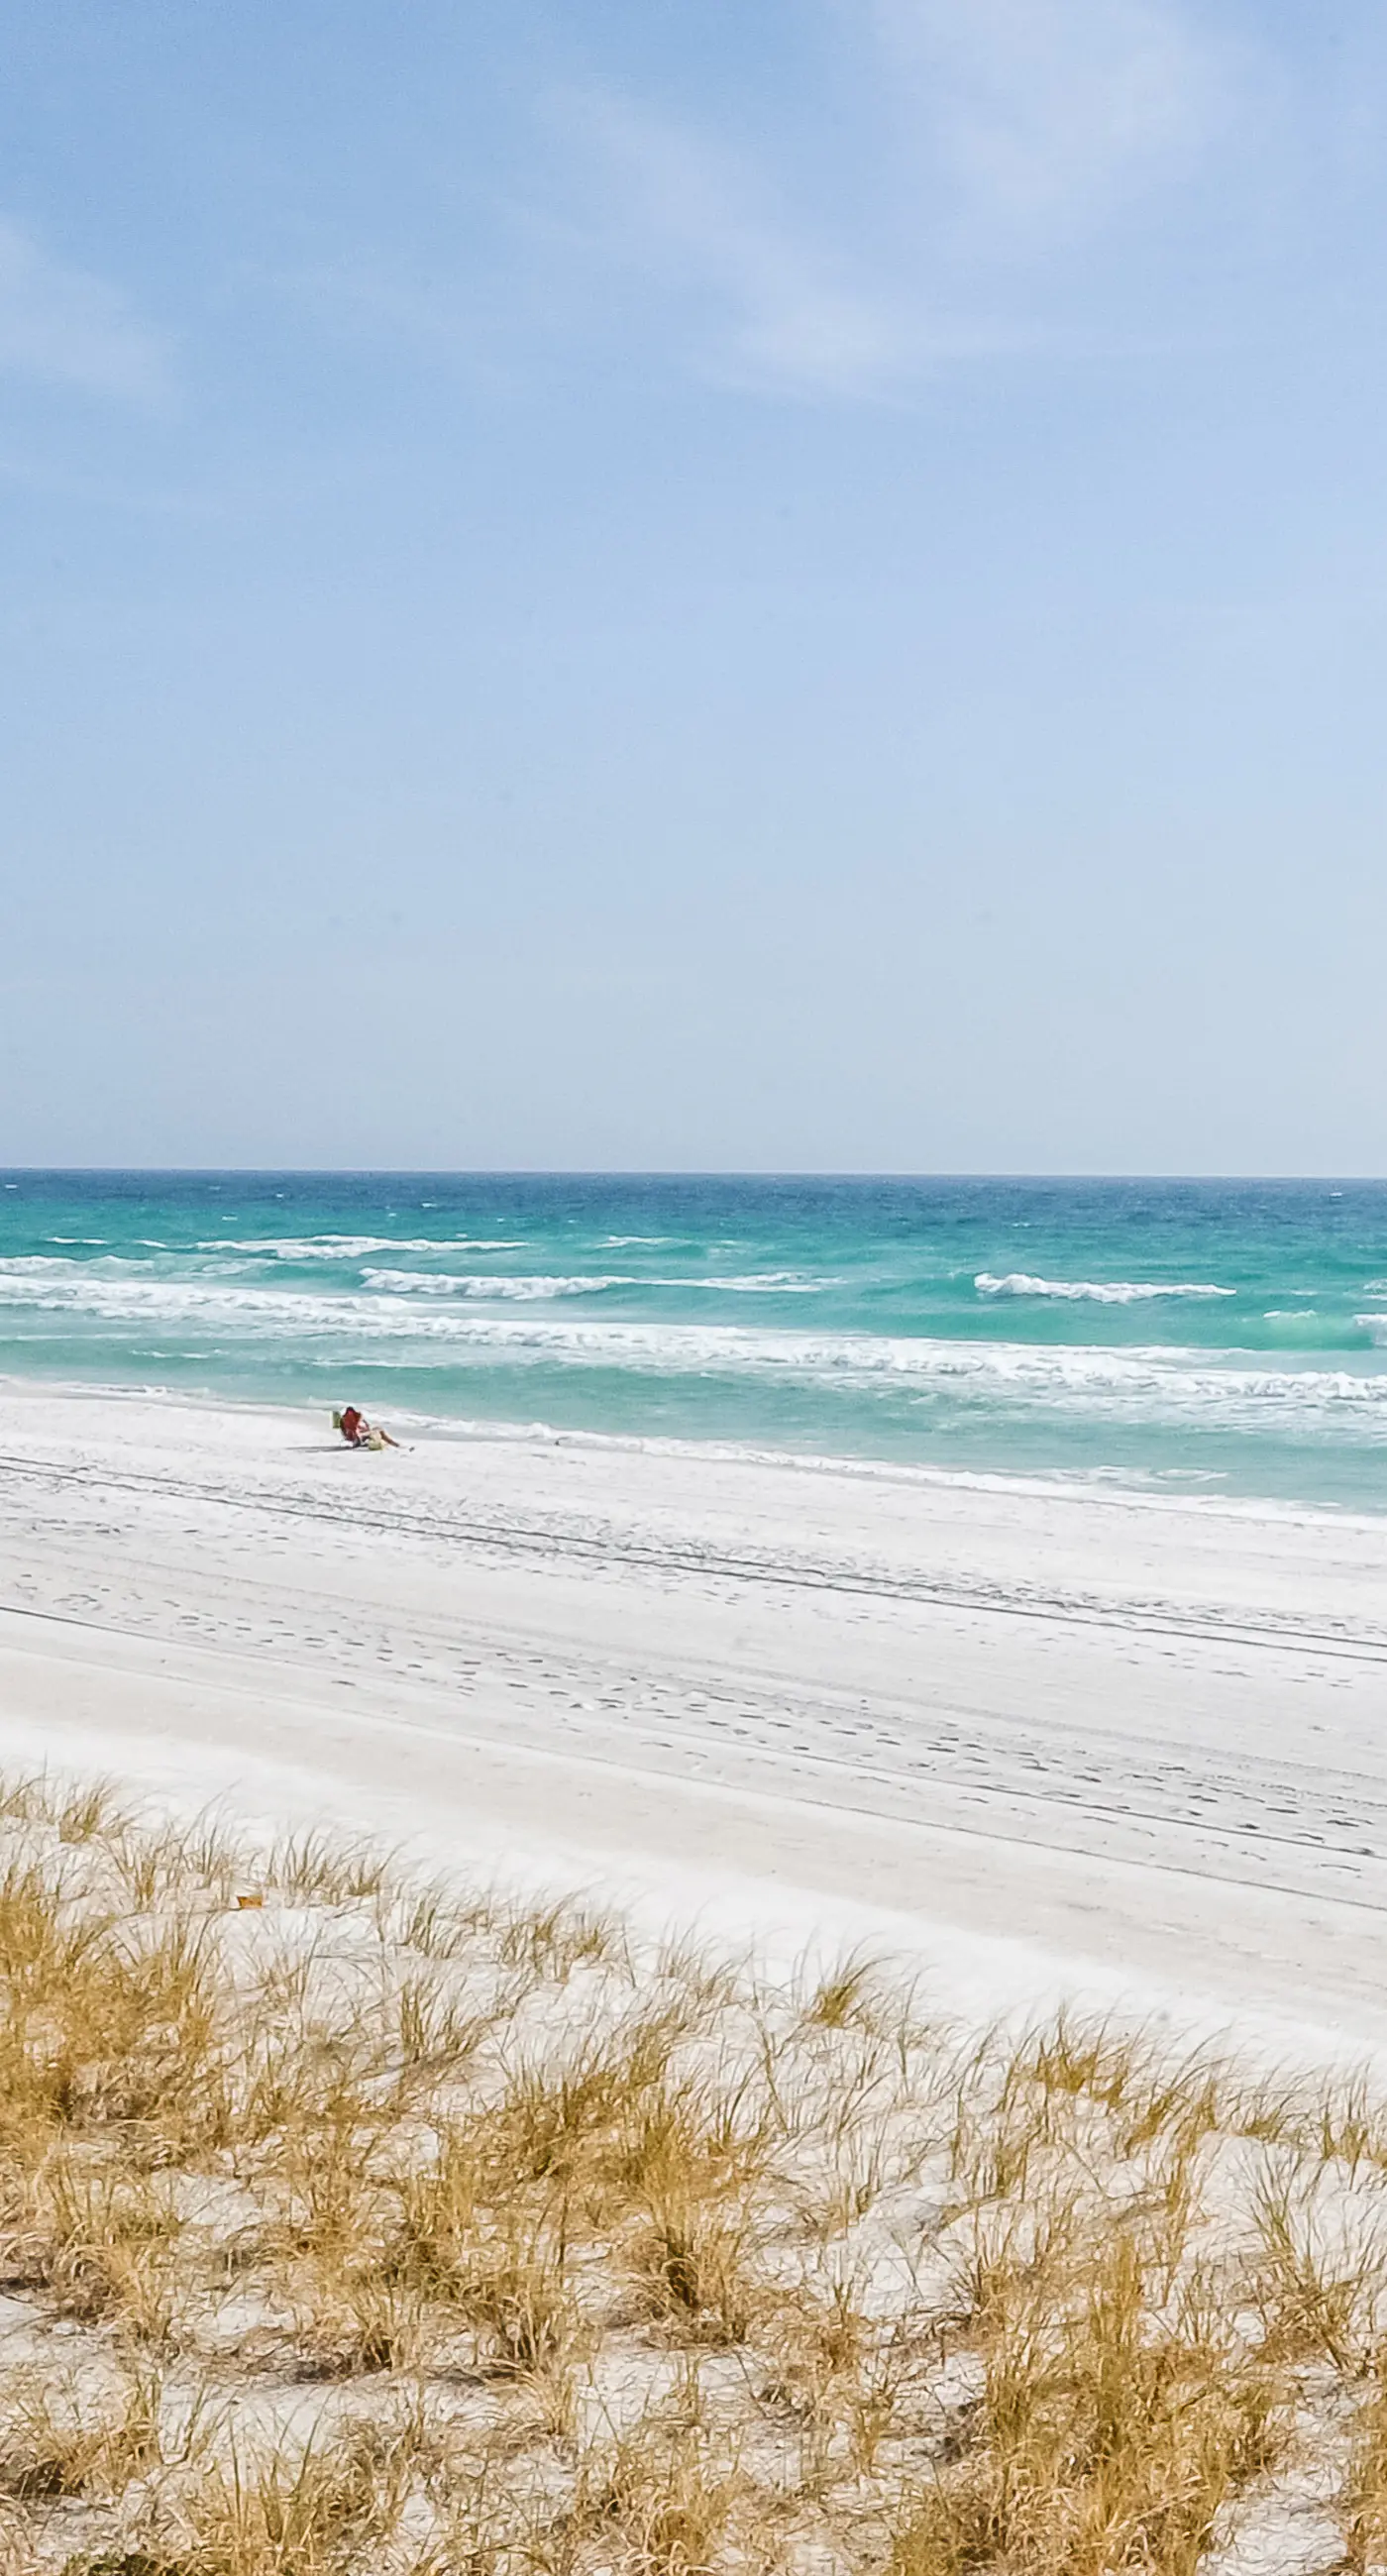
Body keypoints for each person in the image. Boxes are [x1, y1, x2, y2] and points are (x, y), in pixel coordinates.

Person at [333, 1404, 398, 1449]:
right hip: (359, 1436)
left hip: (353, 1437)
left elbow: (344, 1433)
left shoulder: (343, 1421)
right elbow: (366, 1427)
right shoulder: (356, 1419)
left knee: (377, 1430)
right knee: (379, 1430)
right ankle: (393, 1444)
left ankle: (392, 1443)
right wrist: (362, 1420)